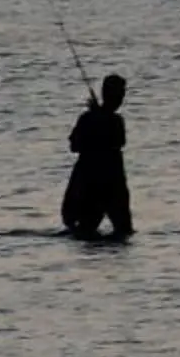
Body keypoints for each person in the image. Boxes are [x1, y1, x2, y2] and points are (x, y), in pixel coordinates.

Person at [61, 74, 131, 239]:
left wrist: (98, 116)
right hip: (96, 185)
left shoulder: (107, 120)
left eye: (122, 93)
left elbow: (118, 142)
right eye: (119, 94)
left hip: (109, 185)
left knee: (118, 232)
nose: (121, 98)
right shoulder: (105, 120)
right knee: (89, 231)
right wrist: (98, 118)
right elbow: (75, 145)